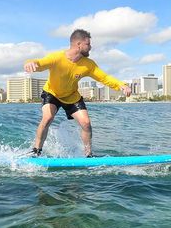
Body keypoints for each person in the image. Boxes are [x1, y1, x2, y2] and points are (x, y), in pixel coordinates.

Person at [24, 29, 132, 157]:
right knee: (47, 118)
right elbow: (40, 63)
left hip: (72, 96)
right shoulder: (57, 58)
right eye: (88, 44)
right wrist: (30, 63)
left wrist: (121, 85)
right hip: (52, 93)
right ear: (78, 44)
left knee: (86, 123)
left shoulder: (88, 64)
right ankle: (36, 151)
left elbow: (104, 77)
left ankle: (88, 155)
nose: (90, 47)